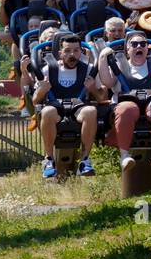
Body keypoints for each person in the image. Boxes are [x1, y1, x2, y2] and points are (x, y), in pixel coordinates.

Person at [97, 32, 151, 171]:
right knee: (126, 109)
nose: (139, 46)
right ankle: (124, 155)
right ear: (128, 49)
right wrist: (103, 56)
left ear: (147, 48)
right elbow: (107, 82)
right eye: (134, 44)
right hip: (127, 102)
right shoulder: (119, 64)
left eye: (143, 44)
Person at [33, 33, 101, 179]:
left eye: (76, 51)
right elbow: (34, 100)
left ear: (81, 52)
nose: (72, 55)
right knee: (48, 111)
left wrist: (93, 89)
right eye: (68, 51)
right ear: (60, 53)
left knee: (91, 111)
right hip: (56, 106)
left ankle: (85, 160)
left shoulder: (88, 69)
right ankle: (49, 159)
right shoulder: (48, 70)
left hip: (79, 107)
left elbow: (103, 98)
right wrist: (42, 91)